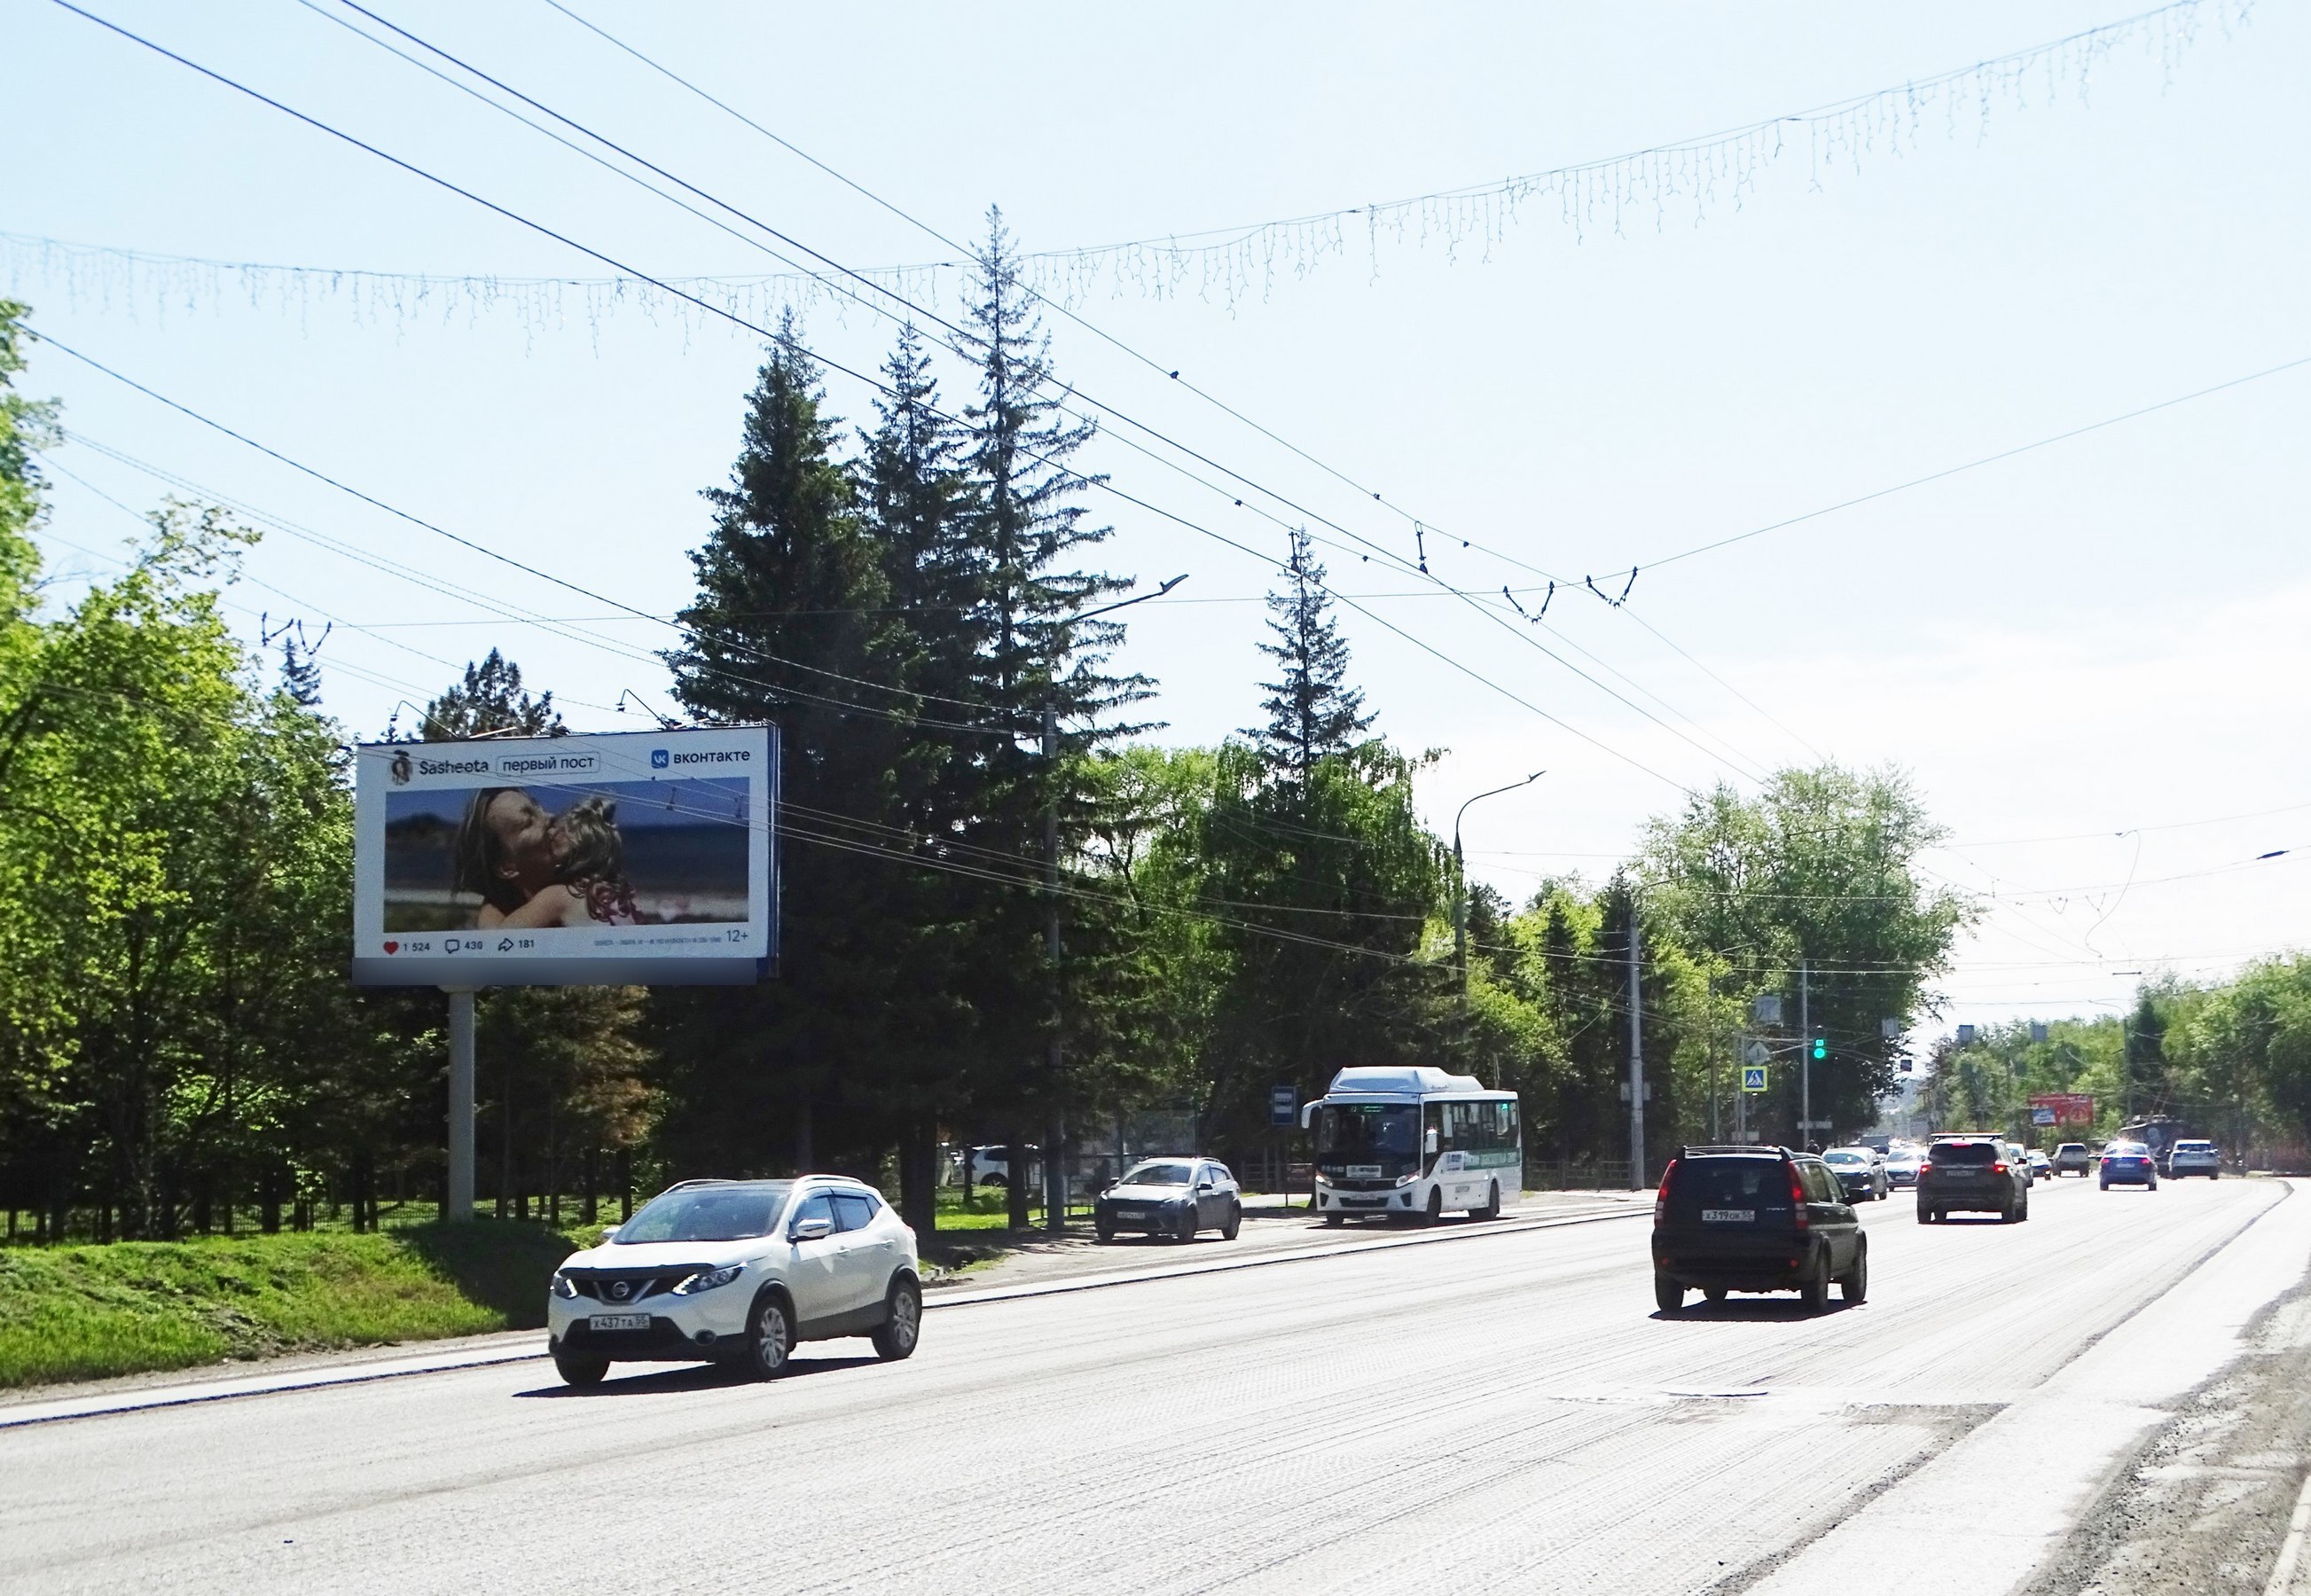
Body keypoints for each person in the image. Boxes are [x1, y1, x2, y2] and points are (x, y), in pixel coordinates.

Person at [451, 787, 637, 928]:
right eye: (528, 822)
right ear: (506, 867)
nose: (549, 816)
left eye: (537, 807)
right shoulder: (597, 894)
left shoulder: (559, 897)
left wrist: (490, 908)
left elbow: (493, 950)